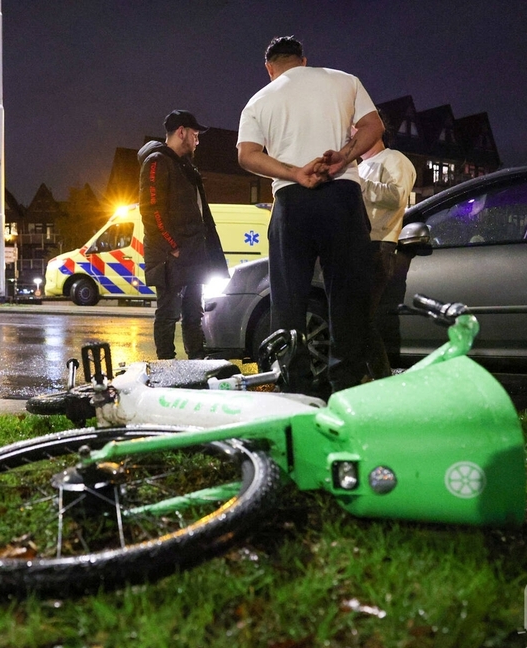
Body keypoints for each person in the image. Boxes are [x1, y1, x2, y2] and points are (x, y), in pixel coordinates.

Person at [237, 36, 385, 394]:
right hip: (341, 194)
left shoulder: (260, 99)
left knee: (287, 300)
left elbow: (247, 154)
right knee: (346, 297)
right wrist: (344, 158)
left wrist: (294, 172)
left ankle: (295, 386)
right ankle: (345, 386)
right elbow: (373, 127)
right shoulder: (344, 80)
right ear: (304, 61)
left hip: (291, 201)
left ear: (269, 68)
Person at [138, 110, 228, 360]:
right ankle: (166, 367)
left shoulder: (185, 166)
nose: (197, 141)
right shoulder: (156, 162)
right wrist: (172, 247)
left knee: (193, 313)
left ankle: (196, 363)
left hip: (192, 254)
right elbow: (151, 211)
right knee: (168, 314)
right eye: (195, 134)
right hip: (172, 257)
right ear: (181, 132)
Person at [357, 125, 417, 378]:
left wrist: (356, 184)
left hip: (378, 244)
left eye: (356, 128)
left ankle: (381, 378)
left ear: (376, 130)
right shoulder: (358, 167)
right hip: (358, 245)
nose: (350, 135)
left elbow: (396, 198)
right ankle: (365, 377)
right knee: (353, 317)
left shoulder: (395, 159)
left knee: (361, 318)